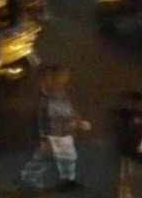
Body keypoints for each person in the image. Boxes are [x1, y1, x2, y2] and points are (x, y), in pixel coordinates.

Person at [21, 63, 90, 191]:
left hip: (64, 133)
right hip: (54, 134)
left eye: (65, 75)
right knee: (45, 158)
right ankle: (29, 180)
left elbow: (69, 110)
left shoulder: (62, 94)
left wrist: (78, 122)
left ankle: (67, 181)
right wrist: (44, 138)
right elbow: (44, 117)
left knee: (67, 157)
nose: (65, 78)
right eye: (62, 75)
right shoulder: (46, 97)